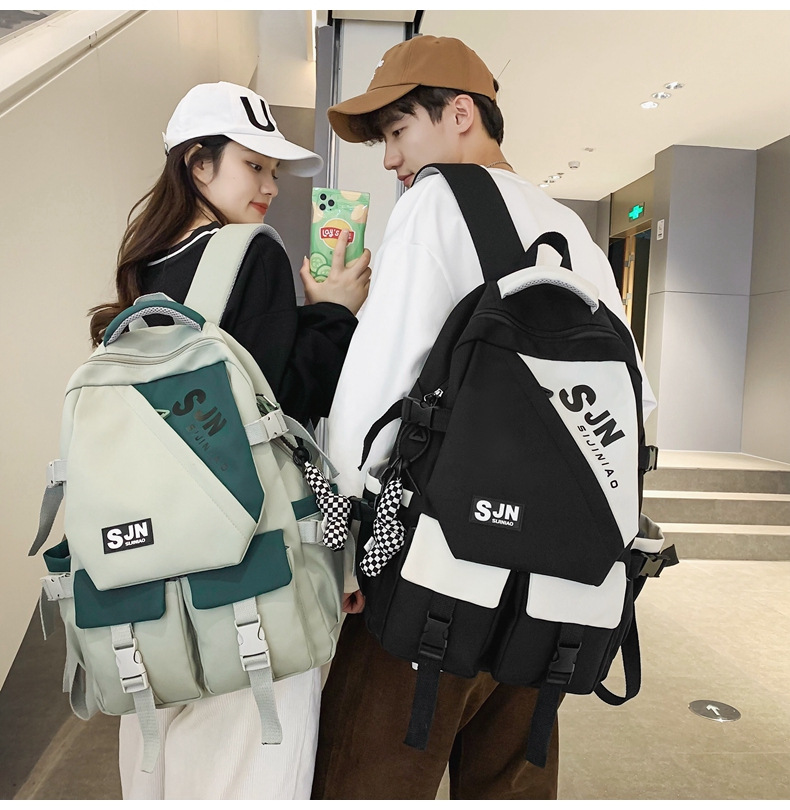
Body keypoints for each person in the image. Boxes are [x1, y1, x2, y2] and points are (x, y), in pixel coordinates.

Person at [311, 36, 657, 800]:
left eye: (397, 132)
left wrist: (345, 548)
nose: (391, 160)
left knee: (364, 777)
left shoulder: (436, 201)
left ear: (460, 113)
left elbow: (376, 392)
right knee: (510, 784)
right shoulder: (573, 231)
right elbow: (634, 404)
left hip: (432, 574)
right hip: (554, 597)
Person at [88, 81, 371, 800]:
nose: (271, 187)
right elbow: (279, 403)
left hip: (144, 579)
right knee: (248, 769)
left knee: (154, 769)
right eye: (255, 166)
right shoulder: (252, 253)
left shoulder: (142, 268)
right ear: (197, 164)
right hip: (242, 574)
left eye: (273, 170)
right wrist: (333, 313)